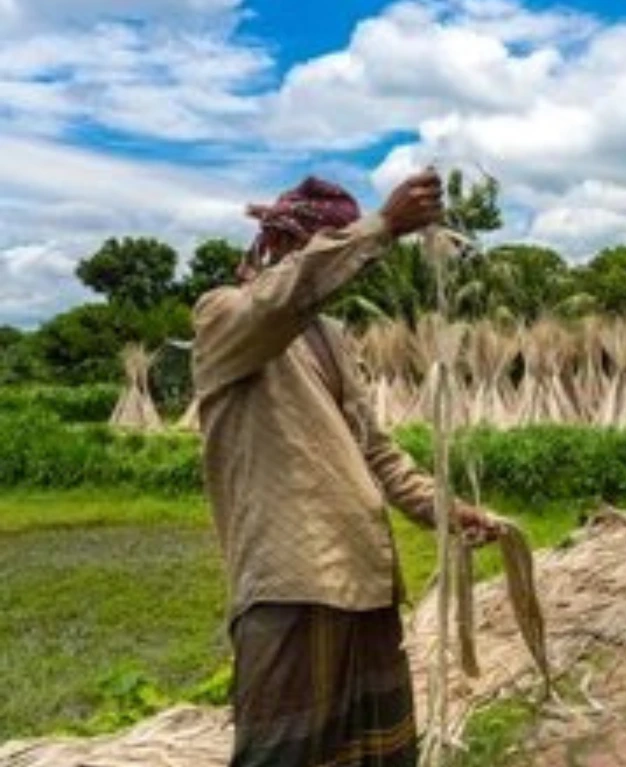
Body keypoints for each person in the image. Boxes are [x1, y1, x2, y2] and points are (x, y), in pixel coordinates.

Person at [191, 169, 499, 767]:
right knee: (283, 754)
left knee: (374, 754)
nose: (346, 271)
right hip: (292, 584)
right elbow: (286, 294)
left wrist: (443, 509)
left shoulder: (329, 337)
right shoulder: (224, 319)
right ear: (281, 246)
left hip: (364, 578)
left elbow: (376, 450)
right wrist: (382, 226)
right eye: (329, 250)